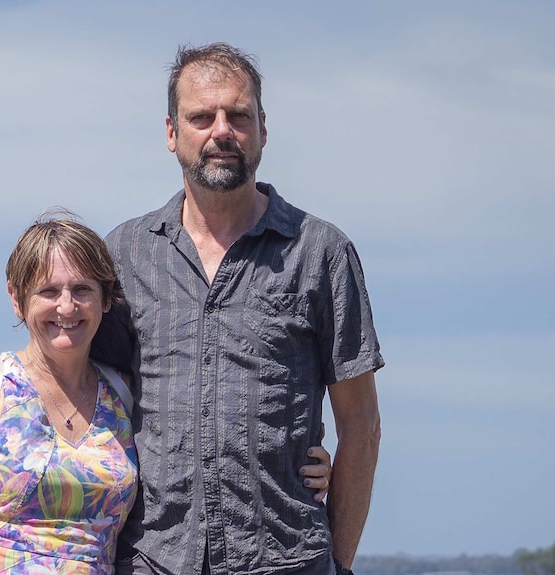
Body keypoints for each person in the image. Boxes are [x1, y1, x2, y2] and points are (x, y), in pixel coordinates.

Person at [0, 213, 334, 575]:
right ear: (17, 297)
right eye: (48, 291)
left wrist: (293, 463)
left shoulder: (122, 394)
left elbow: (194, 448)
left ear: (106, 299)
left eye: (82, 290)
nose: (66, 307)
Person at [102, 43, 384, 575]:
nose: (221, 131)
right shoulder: (125, 254)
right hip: (150, 560)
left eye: (238, 115)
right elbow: (87, 393)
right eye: (201, 117)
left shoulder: (320, 251)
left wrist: (339, 564)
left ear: (262, 129)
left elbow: (362, 424)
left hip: (286, 558)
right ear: (171, 133)